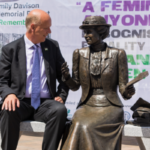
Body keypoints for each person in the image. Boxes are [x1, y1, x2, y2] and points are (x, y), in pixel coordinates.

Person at [61, 16, 135, 150]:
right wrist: (67, 78)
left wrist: (128, 91)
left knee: (87, 126)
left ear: (100, 32)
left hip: (110, 105)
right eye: (84, 32)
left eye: (89, 32)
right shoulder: (79, 53)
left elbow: (123, 90)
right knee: (78, 124)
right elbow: (75, 86)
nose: (86, 36)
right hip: (87, 104)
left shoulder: (118, 54)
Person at [0, 9, 69, 150]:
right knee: (8, 109)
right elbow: (2, 80)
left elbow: (64, 76)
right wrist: (8, 94)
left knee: (60, 110)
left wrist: (61, 95)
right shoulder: (10, 49)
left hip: (45, 104)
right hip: (20, 102)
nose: (49, 31)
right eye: (46, 28)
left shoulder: (53, 47)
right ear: (33, 27)